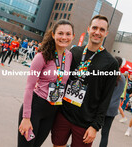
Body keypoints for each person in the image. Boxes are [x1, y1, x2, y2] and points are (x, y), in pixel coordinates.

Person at [51, 15, 118, 147]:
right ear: (88, 29)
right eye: (94, 28)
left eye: (101, 29)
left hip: (86, 123)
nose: (97, 32)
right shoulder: (74, 52)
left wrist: (95, 126)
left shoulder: (111, 63)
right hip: (63, 114)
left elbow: (106, 98)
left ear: (106, 33)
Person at [18, 19, 75, 147]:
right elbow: (29, 87)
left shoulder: (70, 56)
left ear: (73, 36)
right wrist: (26, 117)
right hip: (35, 108)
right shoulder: (42, 56)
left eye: (68, 34)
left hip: (52, 111)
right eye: (60, 33)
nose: (64, 37)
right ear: (53, 35)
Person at [99, 56, 125, 147]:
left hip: (102, 106)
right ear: (121, 65)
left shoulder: (109, 74)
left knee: (88, 128)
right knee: (105, 133)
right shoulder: (123, 78)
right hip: (113, 108)